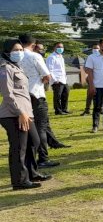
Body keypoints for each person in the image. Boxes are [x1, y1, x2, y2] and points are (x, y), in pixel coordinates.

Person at [0, 39, 51, 190]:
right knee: (19, 148)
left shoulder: (16, 66)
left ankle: (31, 173)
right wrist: (20, 112)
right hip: (13, 114)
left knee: (34, 142)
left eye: (21, 50)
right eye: (16, 50)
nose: (20, 53)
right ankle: (19, 181)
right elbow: (8, 94)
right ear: (8, 52)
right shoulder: (5, 68)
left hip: (26, 113)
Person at [18, 34, 66, 163]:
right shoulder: (34, 56)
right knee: (41, 127)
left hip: (22, 96)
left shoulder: (13, 57)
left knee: (27, 128)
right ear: (33, 45)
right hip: (36, 94)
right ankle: (43, 158)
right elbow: (47, 76)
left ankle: (29, 158)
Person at [46, 42, 70, 114]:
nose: (60, 48)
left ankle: (64, 109)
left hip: (63, 79)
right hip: (56, 80)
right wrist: (55, 80)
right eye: (58, 47)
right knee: (57, 96)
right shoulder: (51, 57)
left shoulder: (61, 57)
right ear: (54, 48)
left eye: (62, 47)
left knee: (66, 93)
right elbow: (49, 69)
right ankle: (58, 110)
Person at [80, 44, 100, 115]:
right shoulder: (89, 57)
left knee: (100, 95)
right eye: (94, 48)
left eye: (97, 48)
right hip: (91, 78)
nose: (96, 50)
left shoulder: (102, 57)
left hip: (100, 79)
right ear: (92, 49)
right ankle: (87, 109)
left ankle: (100, 109)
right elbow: (85, 68)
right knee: (90, 93)